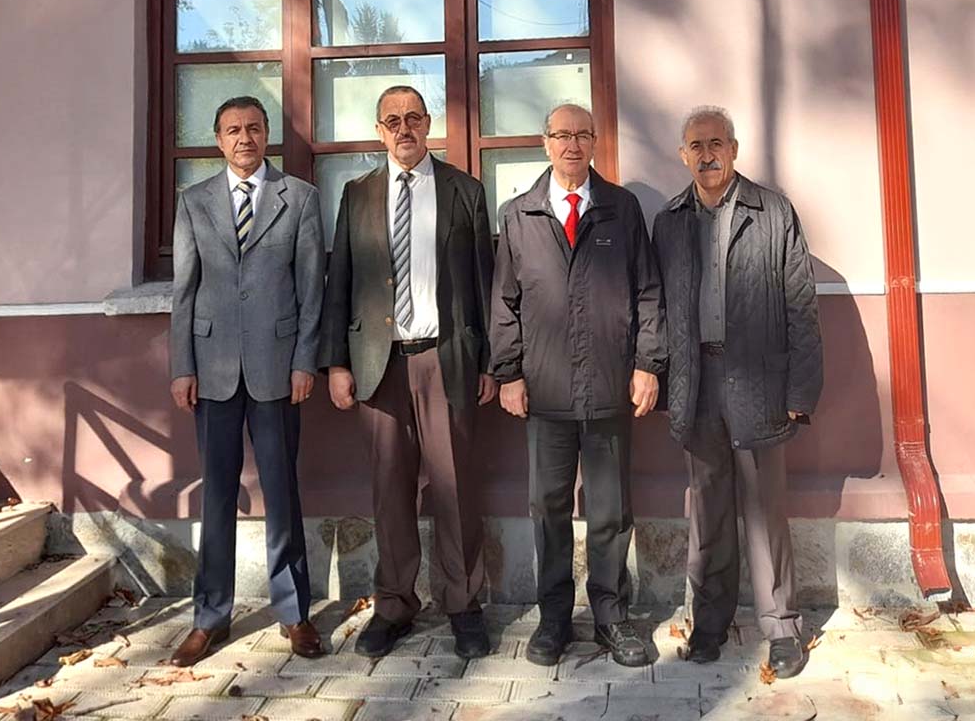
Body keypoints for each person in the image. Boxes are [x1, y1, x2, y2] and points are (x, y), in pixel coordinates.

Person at [319, 85, 497, 659]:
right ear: (379, 130)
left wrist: (490, 361)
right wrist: (337, 362)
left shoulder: (464, 191)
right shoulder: (358, 194)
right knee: (390, 488)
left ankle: (463, 604)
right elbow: (341, 282)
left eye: (414, 118)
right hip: (379, 363)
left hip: (445, 359)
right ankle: (394, 604)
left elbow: (485, 282)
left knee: (455, 487)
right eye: (392, 120)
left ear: (428, 124)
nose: (404, 129)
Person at [490, 103, 665, 668]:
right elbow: (504, 303)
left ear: (594, 142)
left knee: (611, 510)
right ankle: (554, 620)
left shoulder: (621, 208)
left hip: (611, 386)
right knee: (548, 508)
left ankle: (611, 617)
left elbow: (648, 291)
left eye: (582, 134)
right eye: (561, 135)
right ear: (545, 143)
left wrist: (648, 364)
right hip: (545, 392)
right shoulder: (520, 215)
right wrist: (509, 373)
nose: (572, 145)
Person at [651, 105, 823, 678]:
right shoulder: (669, 221)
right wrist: (662, 379)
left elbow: (801, 304)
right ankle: (709, 623)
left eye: (717, 144)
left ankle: (782, 627)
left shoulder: (772, 212)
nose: (707, 155)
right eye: (696, 146)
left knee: (764, 511)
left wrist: (801, 389)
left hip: (758, 382)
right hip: (696, 381)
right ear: (683, 155)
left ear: (734, 149)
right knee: (708, 508)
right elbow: (658, 309)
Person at [169, 96, 326, 666]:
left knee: (281, 490)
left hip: (277, 368)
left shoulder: (299, 198)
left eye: (254, 129)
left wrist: (305, 360)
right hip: (211, 368)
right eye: (233, 130)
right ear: (218, 139)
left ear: (267, 135)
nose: (244, 138)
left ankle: (294, 612)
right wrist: (182, 366)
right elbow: (184, 291)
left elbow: (312, 288)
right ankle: (210, 616)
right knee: (216, 495)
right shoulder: (194, 202)